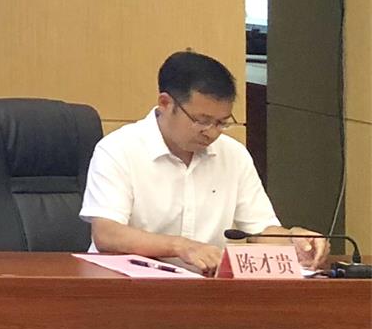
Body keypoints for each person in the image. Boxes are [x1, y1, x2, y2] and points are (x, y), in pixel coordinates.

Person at [82, 49, 328, 274]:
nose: (211, 132)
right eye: (202, 120)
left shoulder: (233, 155)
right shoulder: (118, 149)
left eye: (221, 123)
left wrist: (294, 239)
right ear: (165, 103)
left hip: (207, 290)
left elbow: (260, 230)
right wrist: (180, 247)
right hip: (128, 287)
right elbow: (107, 234)